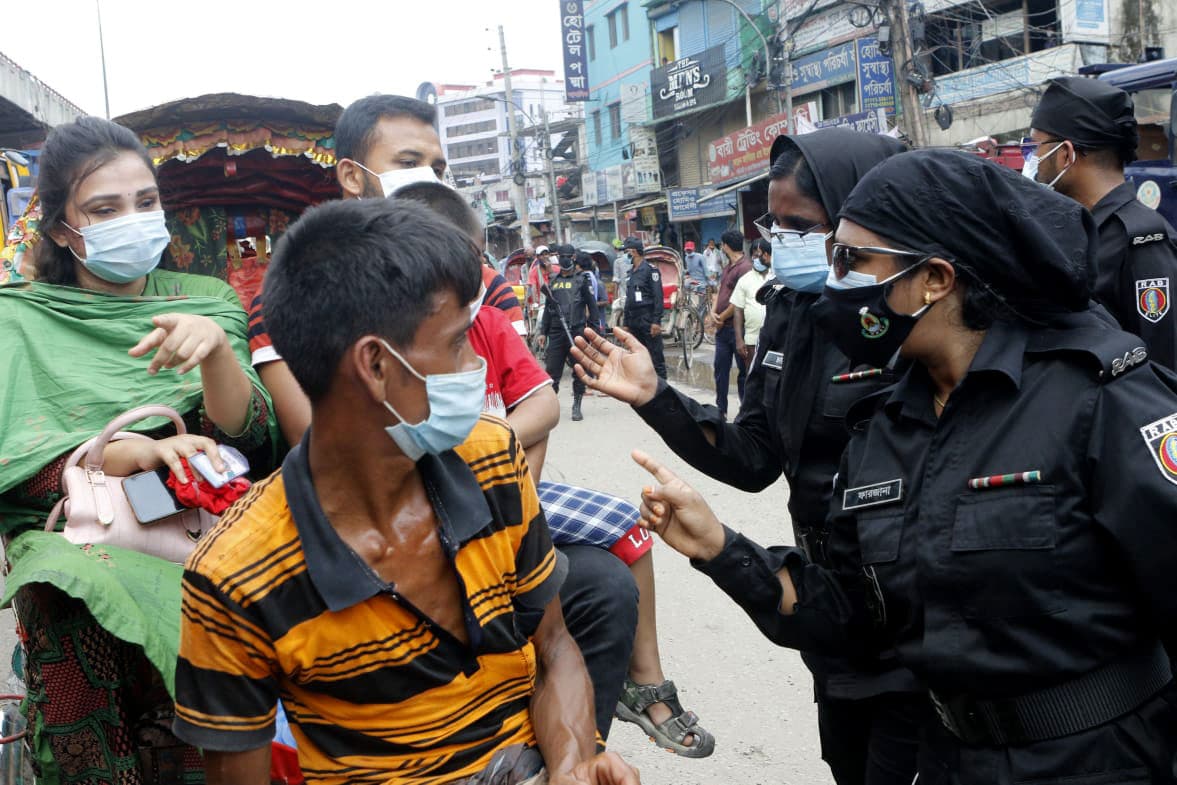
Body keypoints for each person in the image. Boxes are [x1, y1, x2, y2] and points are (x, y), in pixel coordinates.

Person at [631, 149, 1177, 784]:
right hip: (949, 761)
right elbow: (858, 616)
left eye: (855, 261)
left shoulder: (1101, 398)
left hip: (1100, 763)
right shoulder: (884, 425)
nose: (836, 284)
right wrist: (722, 548)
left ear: (935, 279)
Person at [173, 198, 639, 785]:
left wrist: (572, 765)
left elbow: (553, 650)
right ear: (376, 364)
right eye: (457, 343)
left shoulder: (492, 455)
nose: (476, 363)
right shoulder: (233, 577)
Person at [254, 94, 640, 741]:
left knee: (600, 586)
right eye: (409, 162)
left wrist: (499, 479)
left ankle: (574, 748)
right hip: (364, 522)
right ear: (353, 175)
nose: (428, 178)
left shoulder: (482, 286)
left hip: (482, 504)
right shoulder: (301, 284)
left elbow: (528, 404)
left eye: (436, 164)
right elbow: (319, 442)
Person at [571, 129, 920, 785]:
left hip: (911, 624)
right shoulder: (787, 310)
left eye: (800, 225)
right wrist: (655, 396)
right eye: (775, 223)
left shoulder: (907, 320)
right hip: (824, 610)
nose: (780, 238)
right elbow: (755, 456)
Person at [0, 116, 279, 785]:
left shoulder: (207, 300)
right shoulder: (17, 319)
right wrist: (121, 452)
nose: (133, 219)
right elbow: (15, 473)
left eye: (145, 202)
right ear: (64, 229)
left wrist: (213, 351)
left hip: (201, 515)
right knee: (79, 586)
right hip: (81, 518)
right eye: (104, 208)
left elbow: (251, 443)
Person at [1029, 76, 1177, 369]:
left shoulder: (1140, 241)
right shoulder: (1079, 229)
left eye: (1037, 146)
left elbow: (1163, 362)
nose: (1033, 157)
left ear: (1066, 154)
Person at [538, 245, 600, 421]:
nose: (564, 259)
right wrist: (543, 332)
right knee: (551, 372)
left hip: (577, 330)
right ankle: (550, 408)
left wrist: (594, 332)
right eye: (560, 256)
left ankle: (577, 405)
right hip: (557, 332)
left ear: (573, 257)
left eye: (567, 256)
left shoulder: (582, 280)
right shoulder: (553, 281)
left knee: (579, 370)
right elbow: (549, 309)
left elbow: (592, 308)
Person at [710, 230, 752, 419]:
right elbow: (720, 291)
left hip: (736, 329)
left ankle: (745, 409)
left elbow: (738, 302)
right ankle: (721, 409)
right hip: (722, 329)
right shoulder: (728, 267)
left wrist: (721, 317)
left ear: (726, 246)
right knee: (720, 370)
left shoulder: (745, 268)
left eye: (722, 245)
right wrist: (713, 311)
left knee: (743, 372)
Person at [621, 237, 666, 379]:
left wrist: (656, 321)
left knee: (655, 357)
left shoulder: (650, 271)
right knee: (638, 356)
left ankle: (663, 390)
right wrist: (626, 323)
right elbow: (629, 299)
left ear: (634, 252)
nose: (625, 255)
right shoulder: (631, 273)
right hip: (634, 320)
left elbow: (658, 297)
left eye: (626, 251)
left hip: (647, 317)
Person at [730, 238, 772, 365]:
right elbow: (737, 310)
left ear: (768, 255)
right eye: (755, 255)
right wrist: (739, 340)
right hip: (752, 340)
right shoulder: (744, 280)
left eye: (761, 255)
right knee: (753, 376)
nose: (758, 258)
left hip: (775, 339)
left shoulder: (777, 277)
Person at [612, 245, 633, 328]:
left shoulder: (618, 261)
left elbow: (616, 280)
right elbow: (616, 280)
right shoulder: (618, 262)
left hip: (626, 293)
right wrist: (615, 296)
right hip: (624, 293)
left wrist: (615, 297)